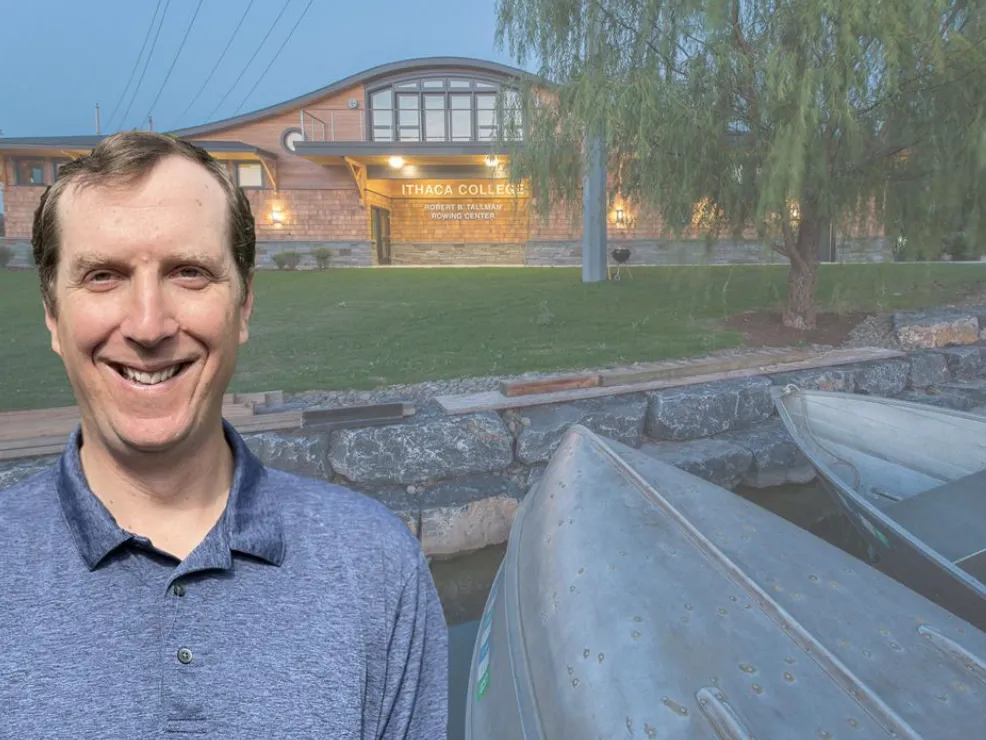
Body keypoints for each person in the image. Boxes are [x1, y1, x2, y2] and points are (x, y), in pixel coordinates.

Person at [0, 131, 448, 738]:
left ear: (242, 307)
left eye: (189, 272)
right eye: (104, 276)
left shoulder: (375, 564)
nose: (149, 325)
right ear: (54, 315)